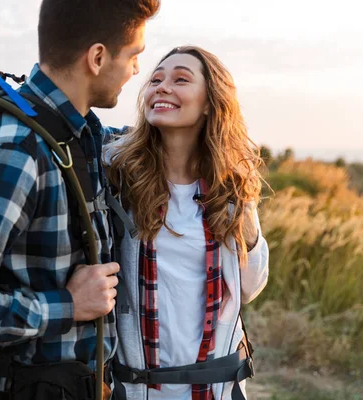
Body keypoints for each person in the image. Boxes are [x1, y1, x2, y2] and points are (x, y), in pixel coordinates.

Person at [0, 1, 160, 399]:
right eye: (133, 56)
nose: (136, 71)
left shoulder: (81, 135)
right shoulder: (17, 149)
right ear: (97, 57)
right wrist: (67, 305)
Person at [105, 46, 269, 400]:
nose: (161, 87)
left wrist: (242, 203)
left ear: (210, 102)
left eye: (181, 79)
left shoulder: (229, 185)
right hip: (137, 388)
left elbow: (249, 287)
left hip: (214, 387)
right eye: (155, 79)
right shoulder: (115, 172)